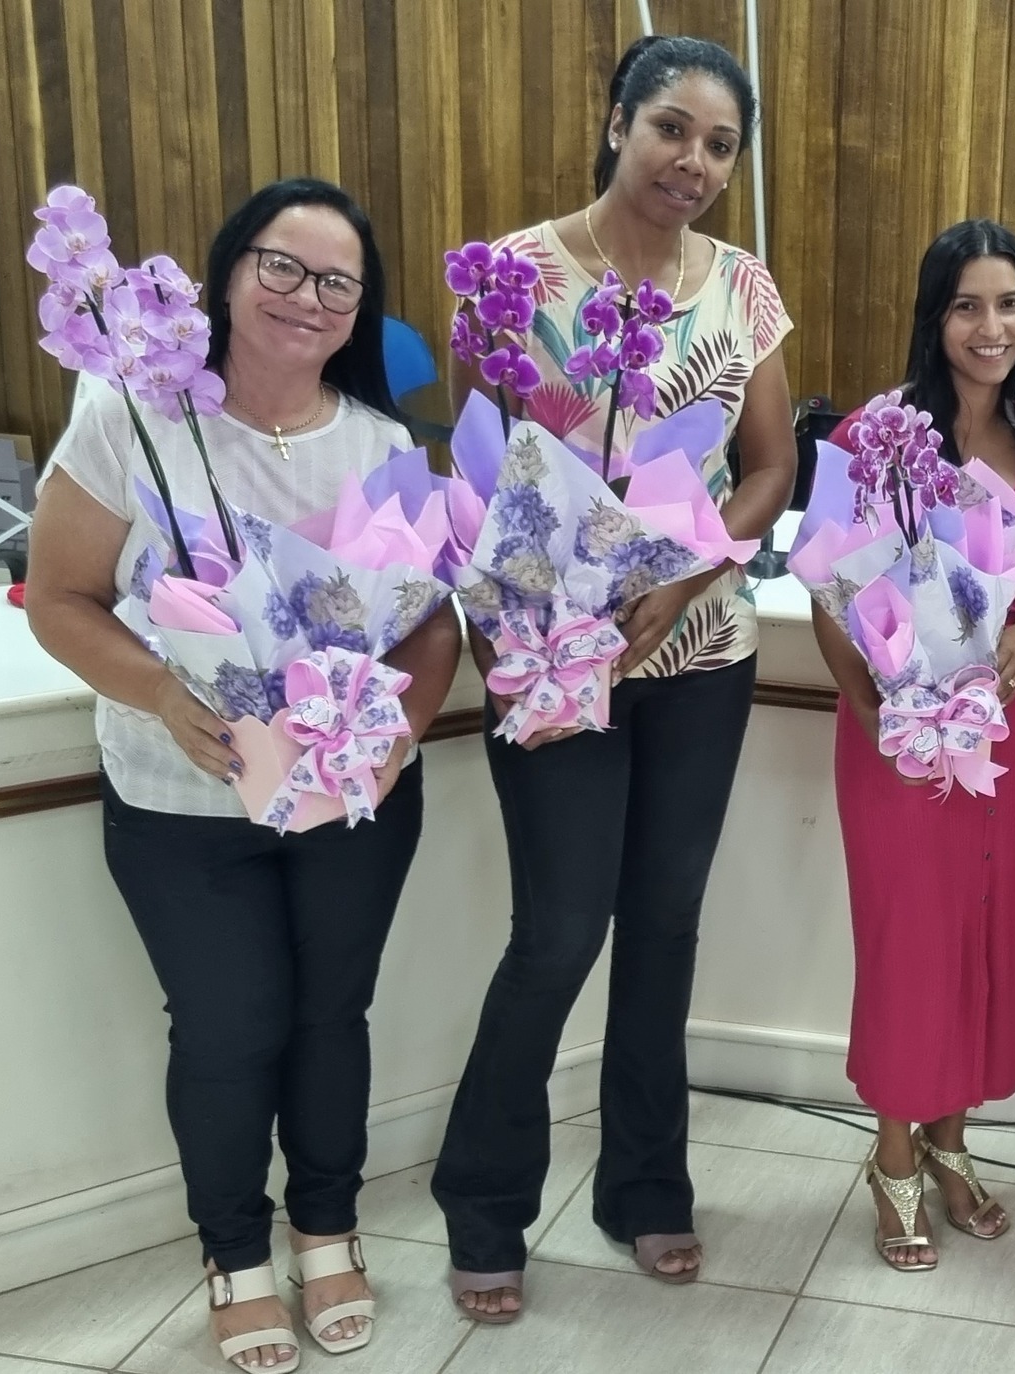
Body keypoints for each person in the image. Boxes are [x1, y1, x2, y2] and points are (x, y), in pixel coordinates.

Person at [25, 178, 460, 1370]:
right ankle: (235, 1249)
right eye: (281, 266)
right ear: (223, 273)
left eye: (337, 282)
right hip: (181, 805)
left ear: (361, 311)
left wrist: (400, 729)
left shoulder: (379, 447)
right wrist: (167, 692)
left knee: (332, 1016)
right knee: (227, 1029)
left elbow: (429, 629)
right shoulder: (130, 417)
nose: (305, 298)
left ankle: (328, 1227)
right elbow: (58, 601)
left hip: (349, 799)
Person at [429, 33, 795, 1323]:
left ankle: (646, 1187)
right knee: (557, 935)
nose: (691, 162)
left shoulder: (740, 289)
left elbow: (768, 471)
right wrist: (508, 645)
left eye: (718, 144)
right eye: (670, 131)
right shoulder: (516, 274)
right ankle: (484, 1200)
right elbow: (472, 475)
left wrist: (684, 583)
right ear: (617, 123)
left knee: (666, 929)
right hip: (550, 661)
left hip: (700, 657)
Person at [814, 219, 1015, 1272]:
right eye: (967, 304)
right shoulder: (871, 436)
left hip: (1010, 732)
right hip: (897, 736)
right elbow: (831, 594)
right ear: (935, 318)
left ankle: (954, 1142)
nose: (991, 325)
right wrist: (881, 716)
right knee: (909, 936)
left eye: (1009, 303)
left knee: (986, 929)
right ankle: (891, 1156)